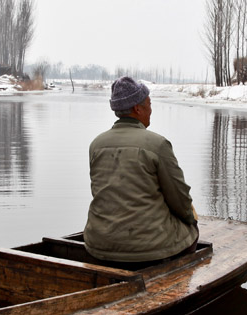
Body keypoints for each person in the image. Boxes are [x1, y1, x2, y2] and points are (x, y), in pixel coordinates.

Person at [84, 76, 198, 265]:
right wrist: (189, 219)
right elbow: (179, 198)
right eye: (149, 104)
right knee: (192, 231)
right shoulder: (158, 145)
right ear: (138, 108)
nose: (151, 110)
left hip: (98, 245)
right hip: (147, 250)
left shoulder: (96, 145)